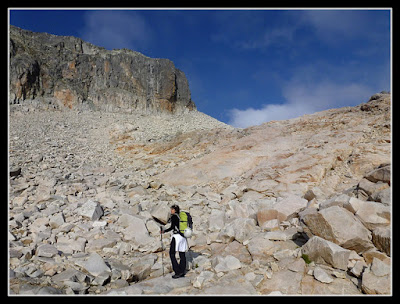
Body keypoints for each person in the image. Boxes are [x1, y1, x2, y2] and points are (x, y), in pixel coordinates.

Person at [161, 204, 187, 279]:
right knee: (182, 254)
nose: (171, 211)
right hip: (183, 237)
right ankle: (182, 270)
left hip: (176, 237)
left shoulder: (174, 217)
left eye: (172, 209)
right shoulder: (181, 216)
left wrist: (164, 231)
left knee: (172, 253)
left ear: (175, 210)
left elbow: (172, 227)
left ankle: (177, 271)